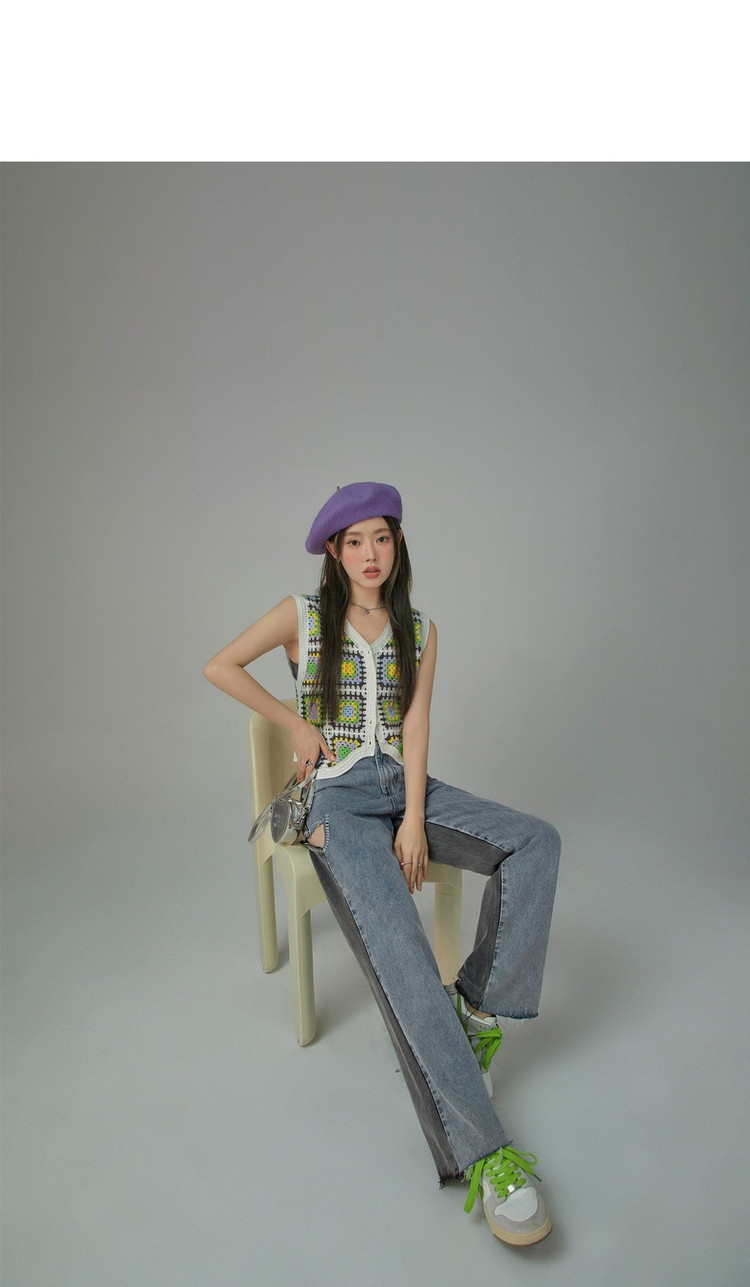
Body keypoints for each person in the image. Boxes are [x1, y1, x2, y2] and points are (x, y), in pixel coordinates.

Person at [204, 481, 561, 1247]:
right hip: (335, 802)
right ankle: (487, 1153)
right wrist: (292, 722)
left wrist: (415, 819)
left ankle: (478, 1009)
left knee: (536, 841)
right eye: (355, 540)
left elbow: (418, 723)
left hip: (402, 788)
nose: (371, 553)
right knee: (405, 957)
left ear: (397, 545)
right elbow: (220, 665)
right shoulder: (302, 616)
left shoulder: (420, 629)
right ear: (334, 551)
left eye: (383, 537)